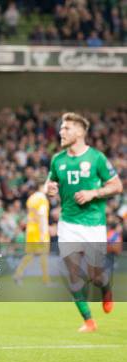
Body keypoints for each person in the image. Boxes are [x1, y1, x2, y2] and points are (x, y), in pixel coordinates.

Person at [46, 112, 122, 332]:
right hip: (68, 223)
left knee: (95, 275)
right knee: (71, 274)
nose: (61, 132)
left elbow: (116, 186)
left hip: (93, 224)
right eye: (61, 128)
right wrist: (49, 188)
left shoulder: (96, 158)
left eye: (66, 128)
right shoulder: (57, 159)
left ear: (80, 132)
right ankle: (89, 320)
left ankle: (106, 289)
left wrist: (93, 193)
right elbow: (49, 184)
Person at [13, 181, 51, 286]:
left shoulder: (31, 198)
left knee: (30, 254)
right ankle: (46, 280)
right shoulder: (42, 199)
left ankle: (18, 274)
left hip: (31, 229)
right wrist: (43, 233)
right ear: (42, 186)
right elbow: (42, 216)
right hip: (39, 230)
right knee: (44, 255)